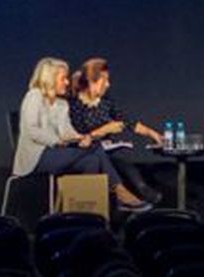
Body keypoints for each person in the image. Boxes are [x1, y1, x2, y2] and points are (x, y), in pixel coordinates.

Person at [11, 57, 150, 211]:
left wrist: (81, 138)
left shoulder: (62, 104)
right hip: (35, 159)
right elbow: (32, 131)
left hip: (56, 154)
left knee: (92, 161)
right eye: (63, 78)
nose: (67, 83)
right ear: (49, 79)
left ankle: (85, 211)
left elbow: (67, 131)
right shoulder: (34, 96)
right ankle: (120, 192)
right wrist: (57, 141)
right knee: (95, 149)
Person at [69, 58, 167, 204]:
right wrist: (104, 130)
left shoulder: (106, 102)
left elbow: (126, 122)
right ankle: (124, 198)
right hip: (86, 151)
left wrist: (153, 134)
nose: (108, 85)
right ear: (92, 81)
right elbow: (77, 136)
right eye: (104, 80)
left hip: (107, 149)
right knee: (106, 162)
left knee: (126, 166)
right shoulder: (74, 105)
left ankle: (144, 193)